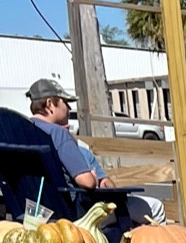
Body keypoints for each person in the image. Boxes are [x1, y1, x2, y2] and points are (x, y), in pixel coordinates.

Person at [27, 78, 167, 224]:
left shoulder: (22, 132)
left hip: (35, 213)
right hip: (77, 216)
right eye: (65, 102)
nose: (69, 109)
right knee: (155, 207)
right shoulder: (57, 134)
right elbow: (87, 182)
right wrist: (93, 177)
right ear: (50, 104)